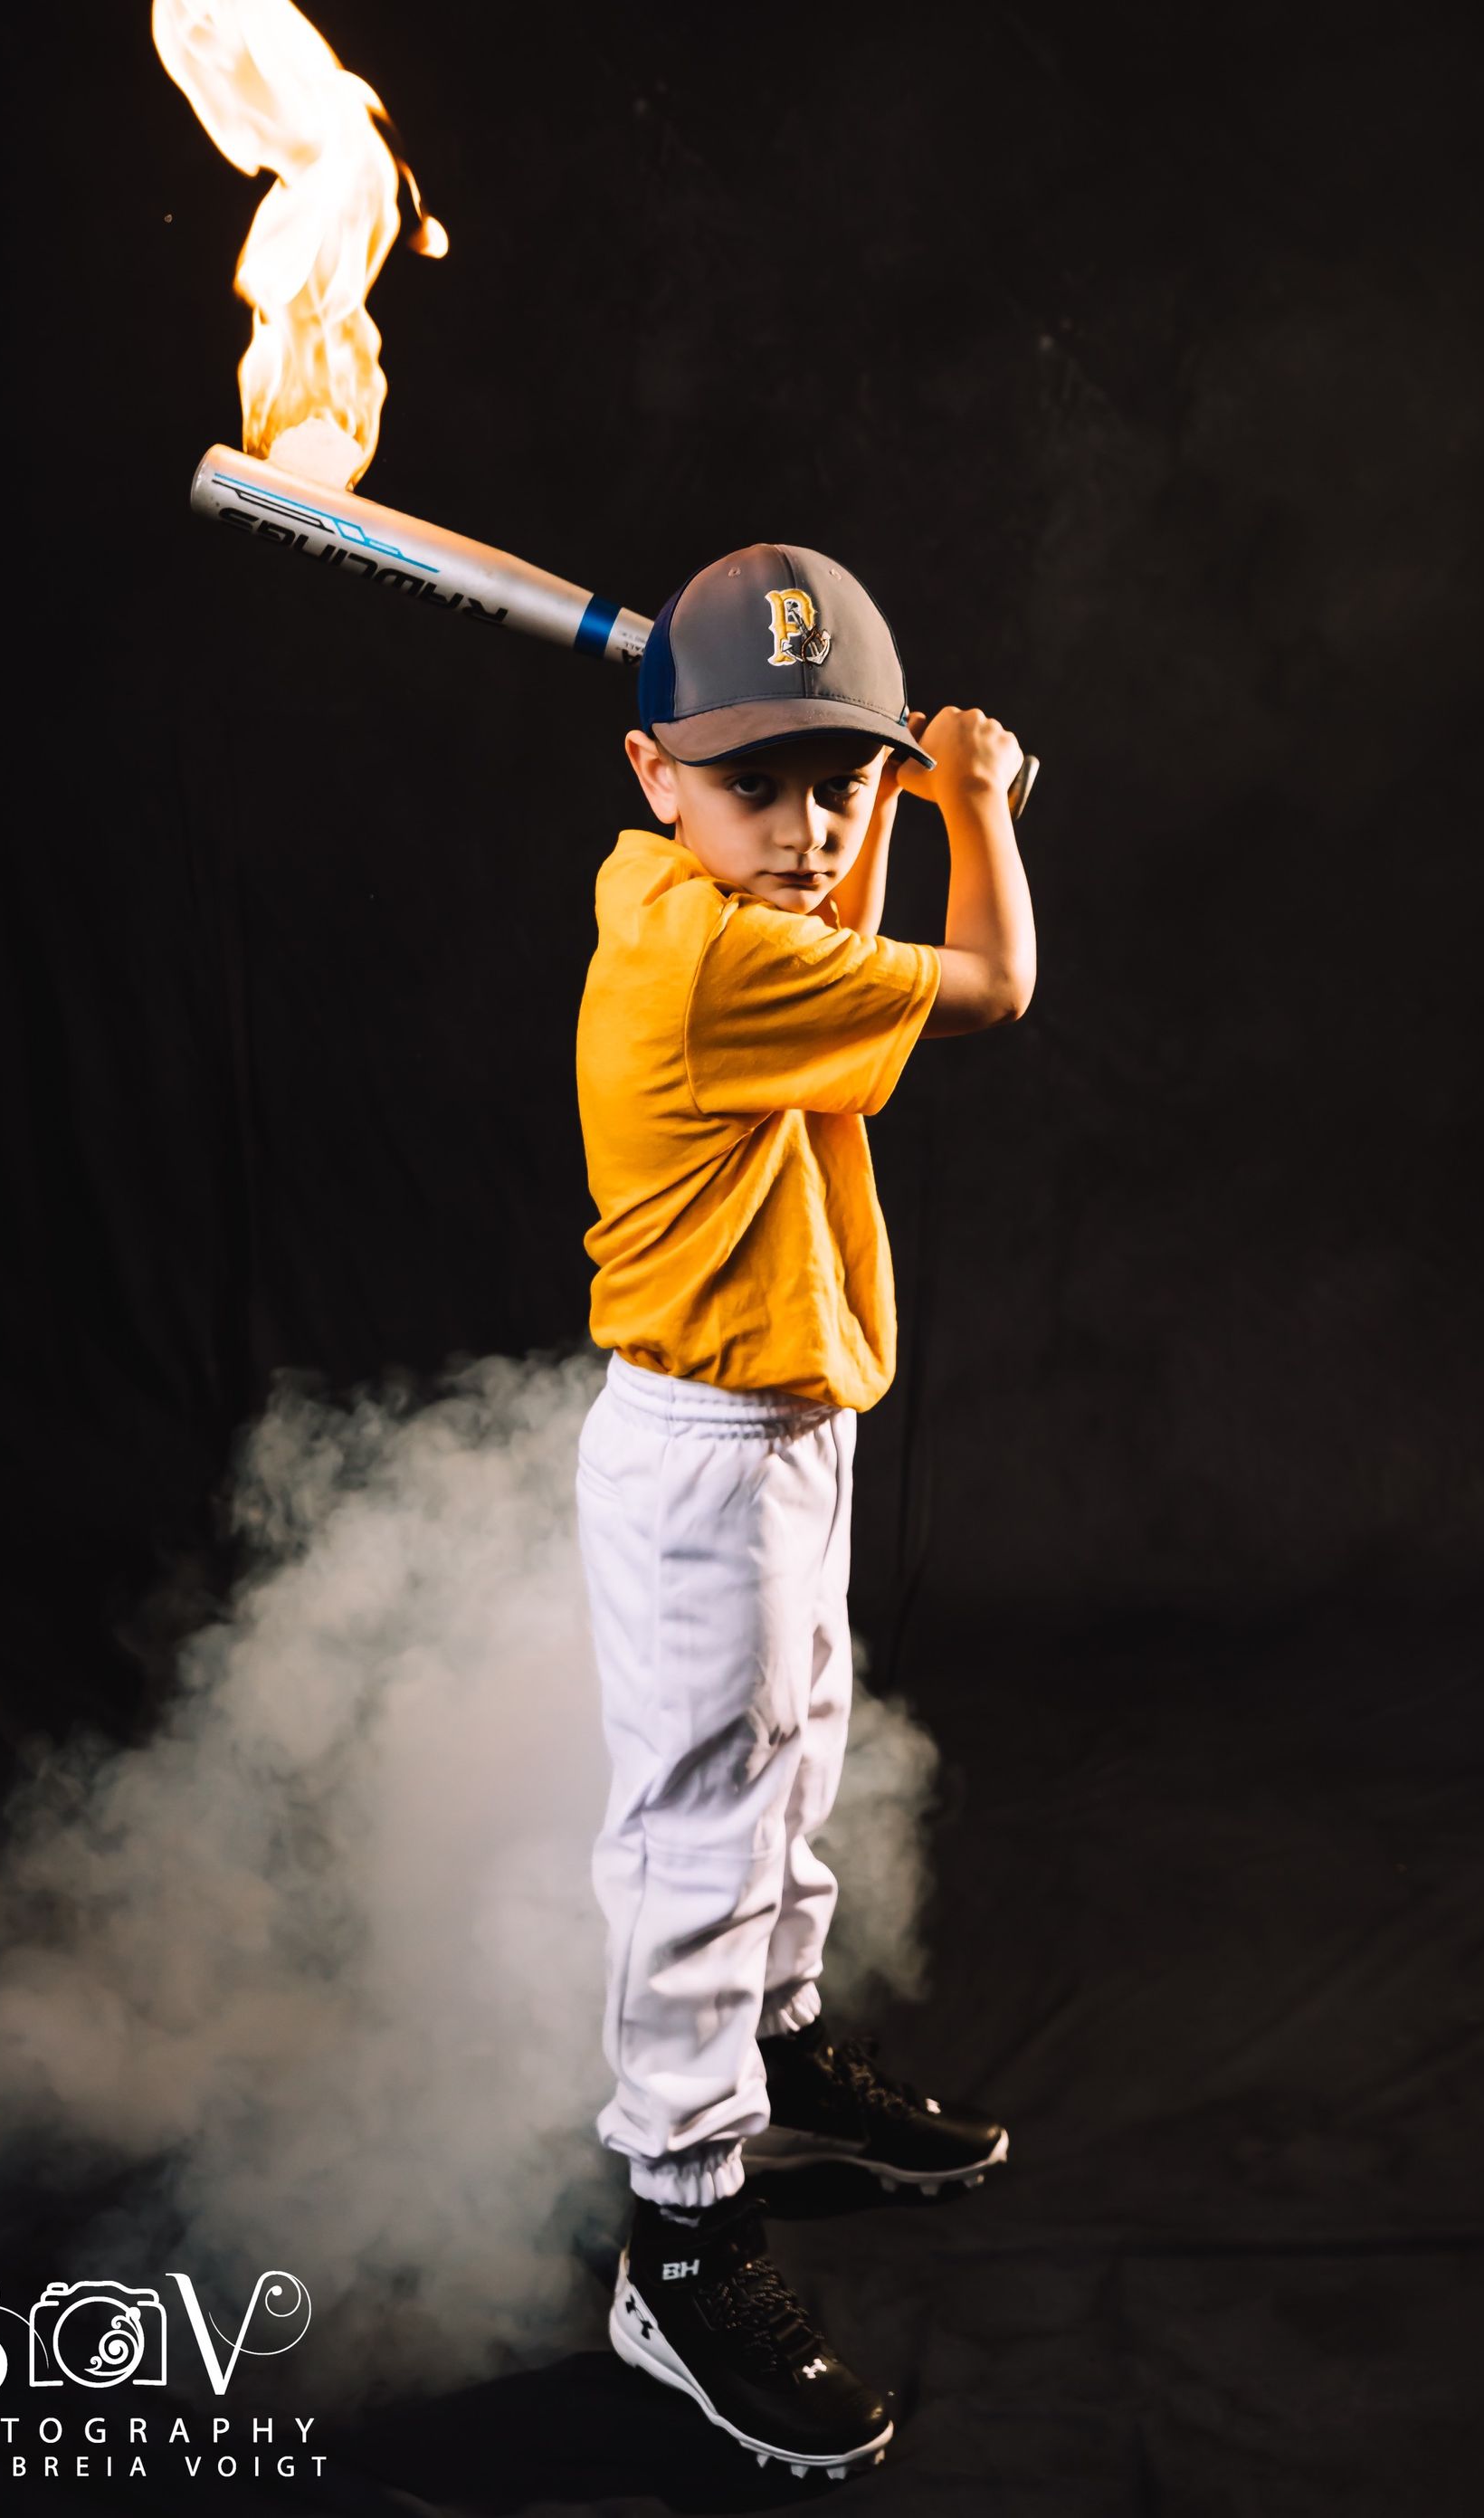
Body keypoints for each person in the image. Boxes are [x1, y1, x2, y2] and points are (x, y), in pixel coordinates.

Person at [574, 542, 1036, 2476]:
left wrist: (871, 786)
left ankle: (773, 2048)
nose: (806, 826)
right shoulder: (716, 954)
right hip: (701, 1449)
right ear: (651, 770)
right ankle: (675, 2237)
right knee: (702, 1825)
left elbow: (803, 872)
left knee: (797, 1753)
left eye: (837, 776)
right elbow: (997, 979)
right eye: (750, 778)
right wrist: (967, 799)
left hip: (782, 1416)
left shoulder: (672, 876)